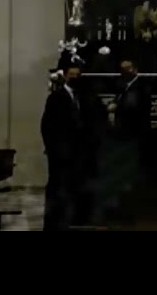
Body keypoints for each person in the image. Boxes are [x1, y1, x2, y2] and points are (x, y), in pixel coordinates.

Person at [41, 64, 97, 230]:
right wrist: (53, 148)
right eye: (72, 75)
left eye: (78, 75)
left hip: (78, 153)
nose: (75, 78)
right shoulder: (56, 97)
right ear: (65, 76)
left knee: (75, 189)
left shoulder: (83, 97)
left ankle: (73, 221)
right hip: (60, 153)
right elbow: (46, 126)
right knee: (57, 189)